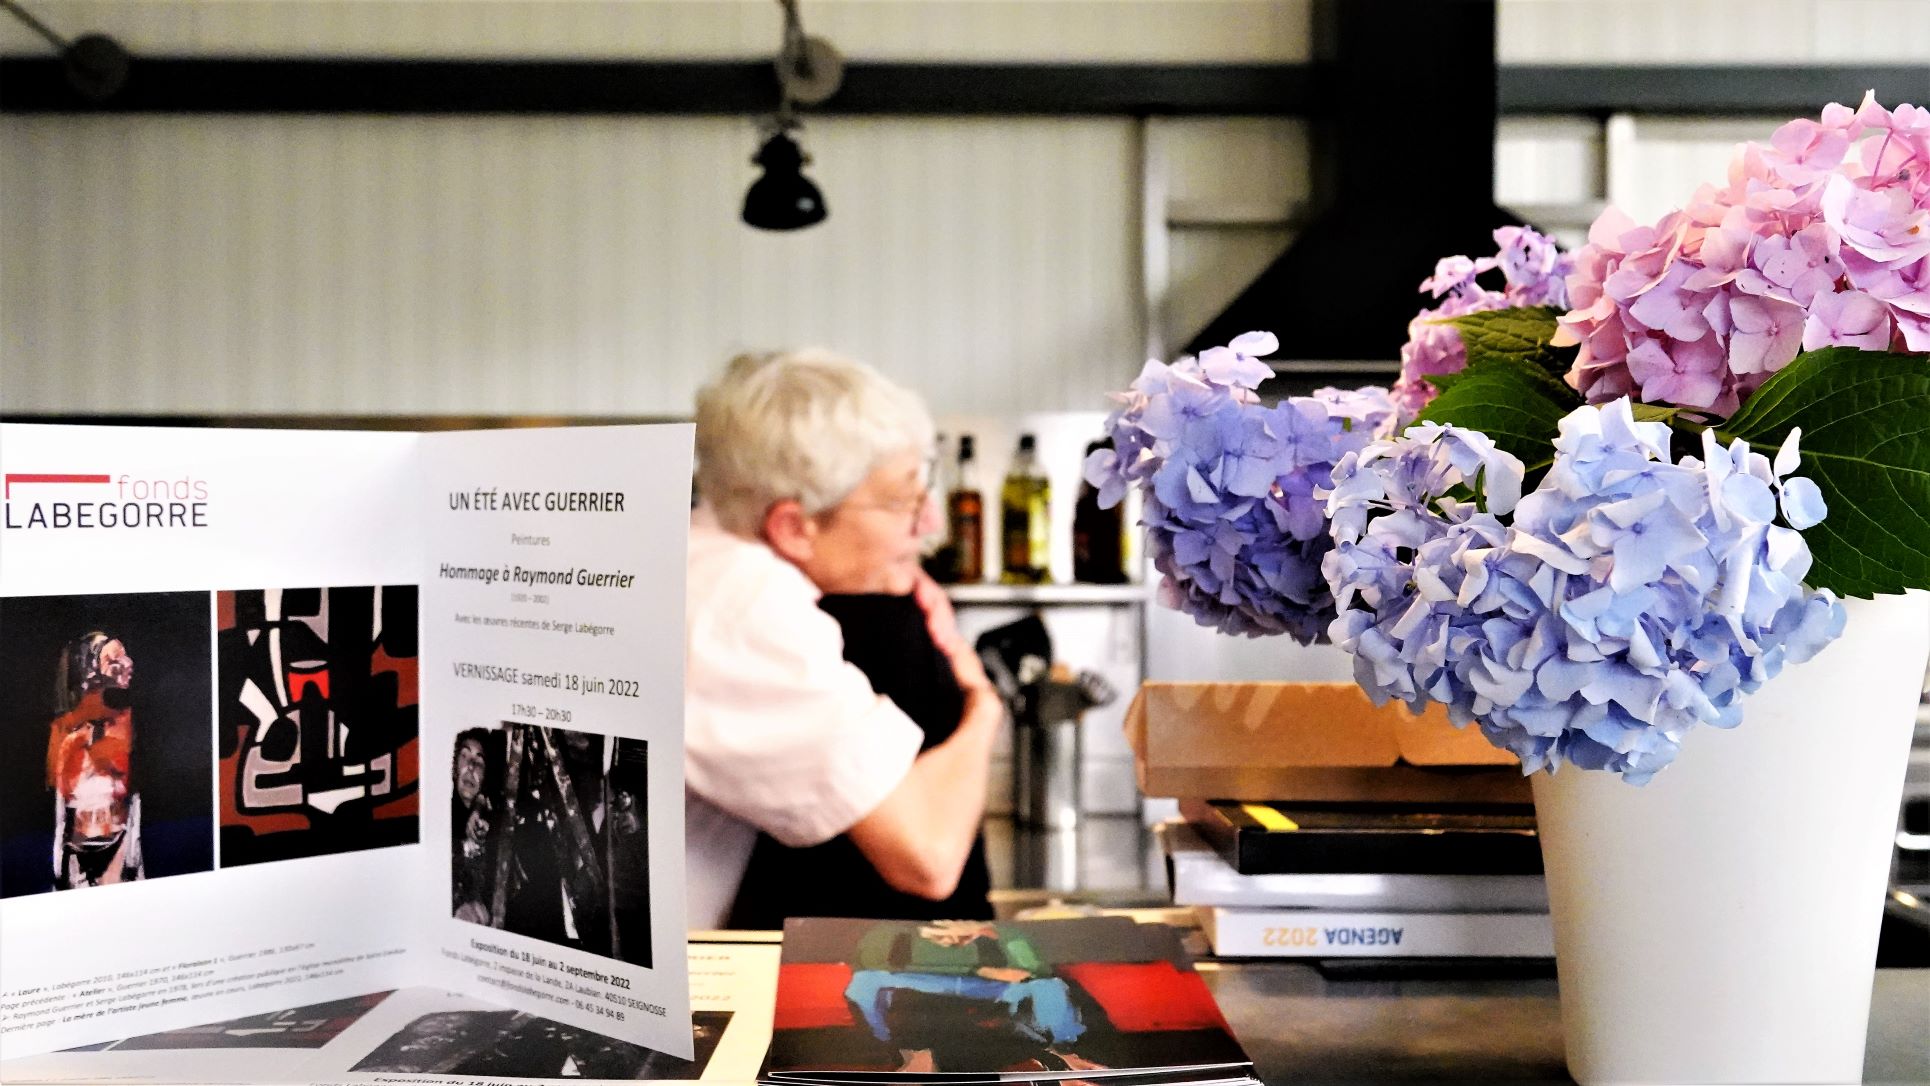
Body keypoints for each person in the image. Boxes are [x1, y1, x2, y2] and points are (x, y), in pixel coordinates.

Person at [684, 349, 1003, 929]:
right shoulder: (748, 609)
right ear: (793, 527)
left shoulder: (700, 554)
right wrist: (984, 707)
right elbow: (928, 856)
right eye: (902, 500)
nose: (930, 523)